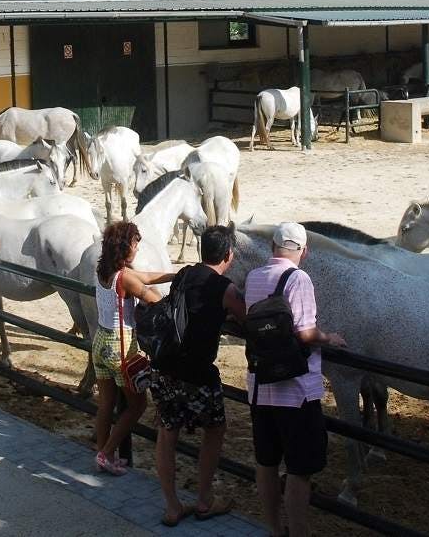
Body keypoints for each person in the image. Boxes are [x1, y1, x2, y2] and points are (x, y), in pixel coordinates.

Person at [244, 223, 345, 537]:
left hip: (260, 386)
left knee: (267, 463)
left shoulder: (253, 277)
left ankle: (275, 529)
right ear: (304, 250)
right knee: (300, 470)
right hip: (295, 390)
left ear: (273, 246)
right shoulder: (299, 278)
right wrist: (329, 337)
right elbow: (304, 332)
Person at [150, 225, 245, 525]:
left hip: (165, 368)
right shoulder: (225, 288)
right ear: (228, 255)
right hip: (197, 374)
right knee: (215, 429)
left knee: (167, 434)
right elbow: (246, 318)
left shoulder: (183, 275)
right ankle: (204, 500)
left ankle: (172, 506)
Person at [91, 220, 177, 476]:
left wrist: (176, 274)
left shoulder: (105, 270)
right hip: (121, 347)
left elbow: (146, 276)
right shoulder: (125, 277)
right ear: (124, 246)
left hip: (100, 342)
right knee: (137, 406)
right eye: (134, 243)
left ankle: (101, 452)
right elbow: (152, 297)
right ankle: (107, 453)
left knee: (106, 404)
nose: (137, 248)